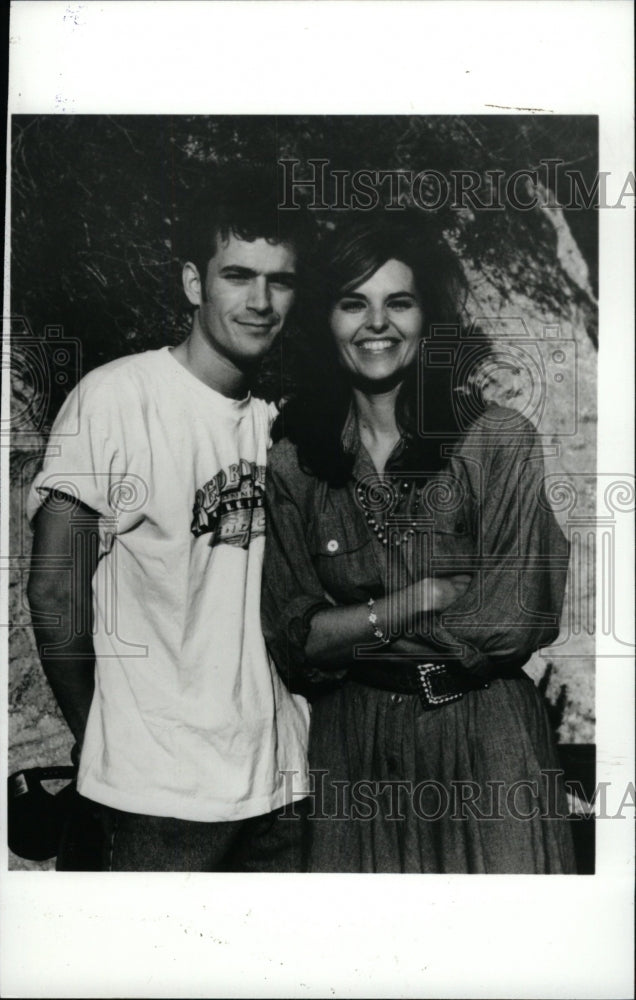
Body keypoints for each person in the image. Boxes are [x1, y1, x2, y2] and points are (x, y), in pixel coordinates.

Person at [261, 213, 576, 874]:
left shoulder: (497, 441)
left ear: (428, 320)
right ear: (326, 321)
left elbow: (511, 620)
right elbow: (290, 639)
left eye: (398, 302)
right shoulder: (295, 461)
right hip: (353, 746)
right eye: (354, 303)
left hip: (486, 736)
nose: (377, 323)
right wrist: (422, 600)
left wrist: (342, 630)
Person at [26, 172, 311, 871]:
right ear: (193, 283)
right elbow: (54, 592)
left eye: (281, 281)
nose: (260, 300)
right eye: (238, 275)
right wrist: (106, 740)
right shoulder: (117, 399)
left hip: (278, 788)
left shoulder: (279, 422)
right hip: (156, 802)